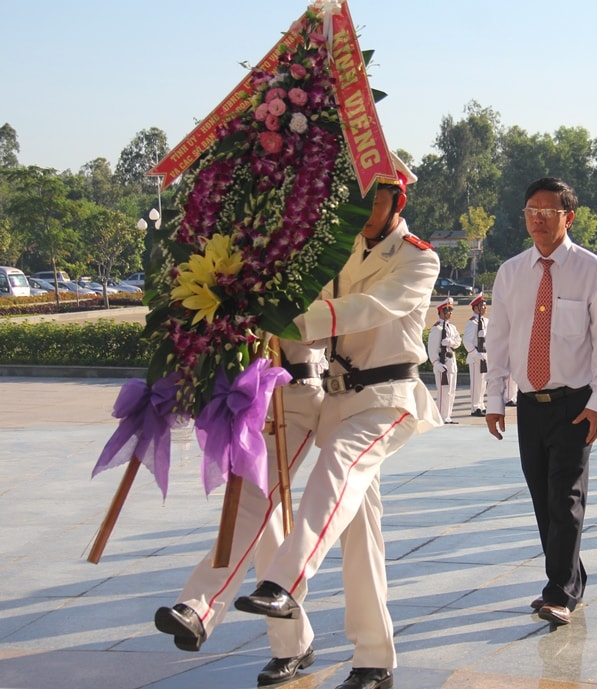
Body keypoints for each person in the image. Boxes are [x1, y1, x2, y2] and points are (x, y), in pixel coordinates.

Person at [234, 154, 443, 689]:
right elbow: (313, 326)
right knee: (358, 531)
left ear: (398, 200)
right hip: (336, 401)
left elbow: (368, 308)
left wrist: (292, 316)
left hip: (387, 397)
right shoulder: (339, 249)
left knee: (337, 469)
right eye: (357, 199)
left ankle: (286, 582)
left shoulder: (419, 259)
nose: (365, 211)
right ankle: (367, 657)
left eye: (375, 199)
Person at [485, 177, 597, 626]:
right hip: (530, 404)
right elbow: (499, 342)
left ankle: (559, 591)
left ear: (569, 217)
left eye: (548, 210)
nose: (538, 218)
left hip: (575, 402)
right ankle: (568, 577)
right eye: (531, 209)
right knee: (543, 497)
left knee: (565, 497)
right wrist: (494, 399)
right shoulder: (511, 272)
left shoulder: (593, 271)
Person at [154, 340, 324, 687]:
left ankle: (198, 607)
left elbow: (321, 331)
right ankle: (293, 644)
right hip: (247, 398)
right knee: (265, 527)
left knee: (249, 507)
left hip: (295, 397)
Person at [427, 297, 461, 423]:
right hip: (442, 363)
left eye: (450, 310)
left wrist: (450, 342)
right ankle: (441, 416)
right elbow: (432, 348)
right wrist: (436, 363)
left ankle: (447, 415)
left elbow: (458, 342)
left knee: (451, 391)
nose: (450, 313)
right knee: (443, 392)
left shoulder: (451, 327)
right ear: (441, 312)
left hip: (451, 362)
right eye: (447, 310)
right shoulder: (437, 329)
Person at [463, 294, 488, 417]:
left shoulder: (486, 321)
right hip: (475, 358)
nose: (485, 308)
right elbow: (467, 341)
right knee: (476, 384)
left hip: (484, 356)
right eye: (482, 306)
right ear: (476, 308)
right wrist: (476, 354)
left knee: (483, 383)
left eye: (485, 306)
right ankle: (475, 407)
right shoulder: (472, 323)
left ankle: (481, 405)